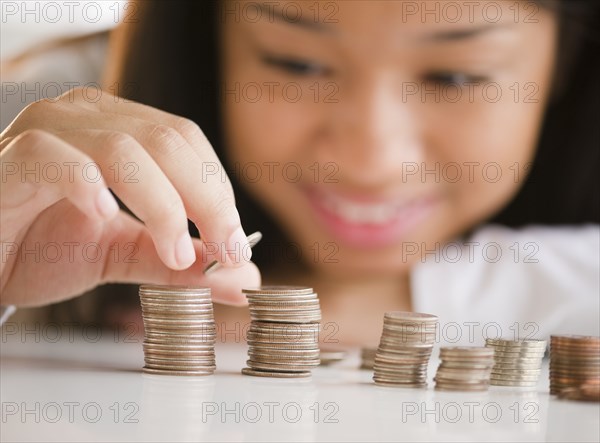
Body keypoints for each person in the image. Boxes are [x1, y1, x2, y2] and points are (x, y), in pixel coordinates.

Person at [1, 1, 598, 345]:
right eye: (297, 62)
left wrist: (408, 301)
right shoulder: (41, 129)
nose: (370, 162)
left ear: (568, 64)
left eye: (457, 78)